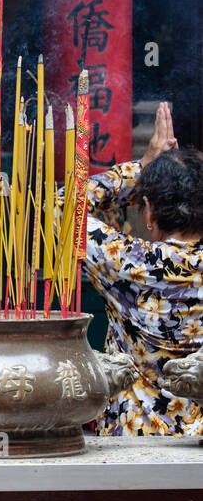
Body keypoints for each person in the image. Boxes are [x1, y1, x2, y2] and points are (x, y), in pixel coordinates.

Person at [84, 102, 203, 436]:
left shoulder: (130, 263)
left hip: (132, 440)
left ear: (148, 214)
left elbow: (58, 211)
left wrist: (140, 167)